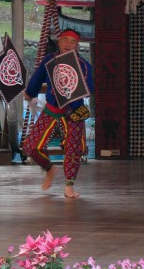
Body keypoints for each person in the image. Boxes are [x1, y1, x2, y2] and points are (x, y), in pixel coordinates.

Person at [22, 29, 94, 199]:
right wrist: (29, 93)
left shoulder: (84, 66)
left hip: (74, 113)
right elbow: (37, 79)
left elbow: (90, 88)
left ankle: (69, 186)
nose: (68, 44)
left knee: (73, 150)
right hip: (52, 110)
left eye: (73, 42)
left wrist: (73, 90)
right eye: (65, 40)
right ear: (59, 42)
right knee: (31, 147)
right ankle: (50, 169)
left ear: (77, 45)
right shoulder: (49, 60)